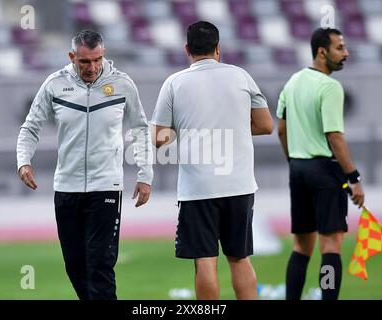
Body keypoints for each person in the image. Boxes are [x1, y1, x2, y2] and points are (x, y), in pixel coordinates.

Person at [16, 30, 153, 300]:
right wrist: (23, 162)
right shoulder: (54, 84)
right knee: (75, 265)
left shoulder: (122, 83)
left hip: (106, 186)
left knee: (100, 264)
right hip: (67, 187)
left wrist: (145, 173)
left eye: (97, 60)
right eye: (84, 62)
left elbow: (141, 129)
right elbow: (30, 128)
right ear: (71, 57)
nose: (92, 68)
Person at [151, 21, 273, 300]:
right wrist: (233, 127)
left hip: (198, 188)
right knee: (239, 258)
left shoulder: (175, 82)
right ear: (218, 48)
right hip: (239, 185)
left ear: (186, 49)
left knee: (205, 260)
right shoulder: (241, 76)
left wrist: (187, 129)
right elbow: (266, 125)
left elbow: (158, 138)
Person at [276, 28, 365, 300]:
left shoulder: (293, 81)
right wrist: (353, 177)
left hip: (298, 170)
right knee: (331, 245)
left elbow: (281, 128)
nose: (346, 53)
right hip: (325, 171)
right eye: (340, 47)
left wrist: (293, 159)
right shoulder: (329, 87)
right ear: (322, 51)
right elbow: (334, 136)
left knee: (301, 245)